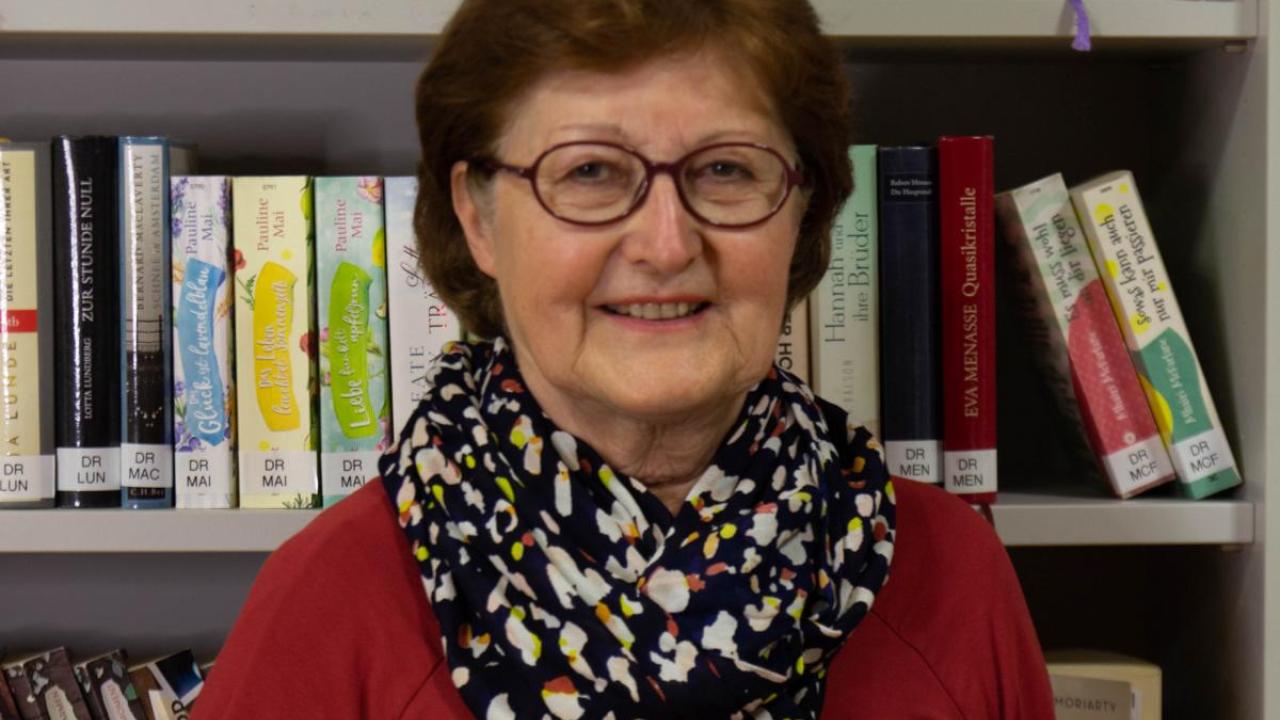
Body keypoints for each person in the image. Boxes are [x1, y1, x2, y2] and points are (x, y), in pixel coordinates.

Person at [195, 0, 1055, 717]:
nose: (666, 244)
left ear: (803, 212)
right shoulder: (329, 604)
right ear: (479, 218)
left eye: (726, 169)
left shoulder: (953, 577)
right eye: (590, 173)